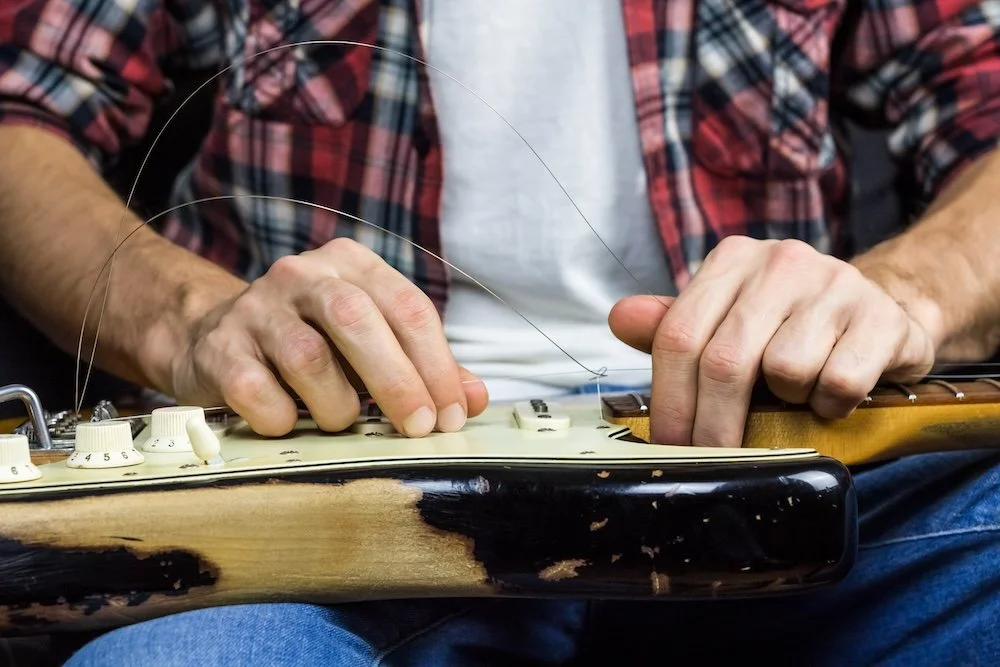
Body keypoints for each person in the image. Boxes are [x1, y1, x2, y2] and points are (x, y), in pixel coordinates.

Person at [2, 0, 1000, 663]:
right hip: (321, 498)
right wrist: (188, 317)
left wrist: (904, 289)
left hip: (777, 482)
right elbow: (19, 114)